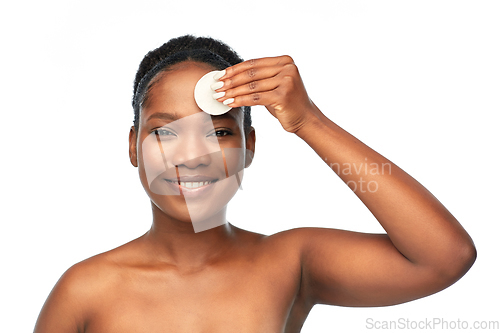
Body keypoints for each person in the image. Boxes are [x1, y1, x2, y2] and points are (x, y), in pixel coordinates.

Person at [34, 35, 476, 333]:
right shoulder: (84, 289)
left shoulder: (289, 262)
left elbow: (444, 256)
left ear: (249, 145)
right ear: (133, 146)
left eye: (220, 132)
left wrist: (308, 121)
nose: (192, 155)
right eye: (165, 132)